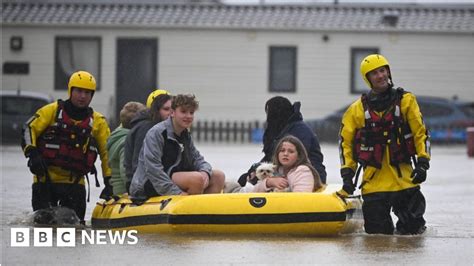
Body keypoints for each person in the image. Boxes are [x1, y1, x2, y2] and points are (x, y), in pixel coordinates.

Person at [338, 54, 431, 235]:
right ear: (368, 79)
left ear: (388, 72)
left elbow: (421, 133)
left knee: (413, 235)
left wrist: (423, 162)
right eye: (374, 73)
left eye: (382, 71)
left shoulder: (406, 101)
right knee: (376, 239)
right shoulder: (355, 110)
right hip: (373, 185)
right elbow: (345, 144)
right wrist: (347, 175)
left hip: (405, 181)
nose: (380, 76)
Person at [21, 70, 113, 224]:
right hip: (44, 181)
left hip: (75, 184)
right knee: (43, 227)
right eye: (78, 91)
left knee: (75, 231)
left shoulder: (98, 122)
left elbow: (108, 153)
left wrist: (110, 181)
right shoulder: (51, 111)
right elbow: (28, 129)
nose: (83, 96)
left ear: (92, 95)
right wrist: (32, 153)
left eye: (87, 93)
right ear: (70, 91)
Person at [129, 94, 225, 201]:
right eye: (183, 112)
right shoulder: (157, 133)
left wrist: (205, 172)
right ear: (173, 113)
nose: (188, 116)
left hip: (171, 177)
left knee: (218, 177)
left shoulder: (185, 134)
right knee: (196, 179)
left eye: (191, 113)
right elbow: (153, 170)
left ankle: (207, 213)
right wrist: (177, 193)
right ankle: (191, 212)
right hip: (148, 183)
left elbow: (197, 159)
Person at [238, 96, 327, 187]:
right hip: (284, 174)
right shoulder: (281, 129)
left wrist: (264, 177)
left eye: (270, 114)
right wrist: (254, 170)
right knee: (245, 182)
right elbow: (270, 157)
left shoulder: (299, 131)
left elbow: (289, 160)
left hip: (309, 177)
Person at [124, 90, 172, 192]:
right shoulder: (146, 129)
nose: (171, 113)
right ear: (156, 110)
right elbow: (138, 164)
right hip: (141, 184)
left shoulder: (166, 129)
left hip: (155, 178)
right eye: (166, 109)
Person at [253, 135, 323, 193]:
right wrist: (268, 182)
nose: (285, 154)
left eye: (291, 151)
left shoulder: (303, 171)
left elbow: (301, 199)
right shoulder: (275, 171)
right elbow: (253, 194)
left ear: (299, 156)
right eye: (282, 151)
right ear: (277, 154)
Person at [107, 101, 146, 196]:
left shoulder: (117, 135)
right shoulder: (125, 142)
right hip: (123, 191)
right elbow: (125, 170)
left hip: (116, 189)